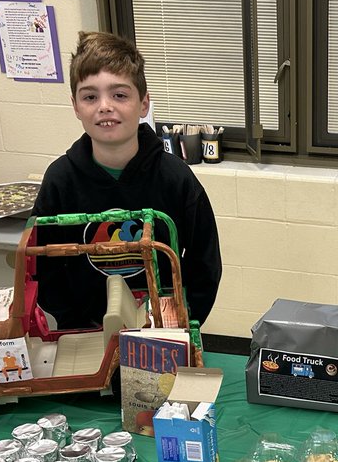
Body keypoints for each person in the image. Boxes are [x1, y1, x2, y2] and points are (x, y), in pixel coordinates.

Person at [32, 31, 222, 330]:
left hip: (164, 331)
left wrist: (183, 321)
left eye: (119, 94)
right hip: (86, 331)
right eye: (90, 96)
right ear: (76, 105)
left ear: (143, 103)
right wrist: (76, 322)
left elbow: (205, 263)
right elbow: (43, 267)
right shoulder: (60, 180)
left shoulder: (176, 179)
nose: (105, 106)